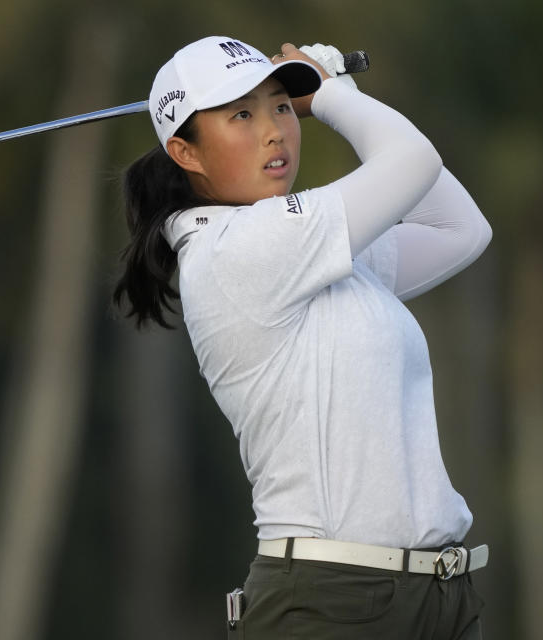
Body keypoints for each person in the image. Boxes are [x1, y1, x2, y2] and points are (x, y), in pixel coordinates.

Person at [113, 35, 492, 639]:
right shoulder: (238, 249)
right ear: (185, 152)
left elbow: (460, 228)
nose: (274, 131)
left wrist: (344, 95)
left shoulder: (319, 254)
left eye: (282, 105)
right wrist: (337, 98)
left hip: (440, 599)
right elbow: (413, 161)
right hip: (333, 603)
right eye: (241, 114)